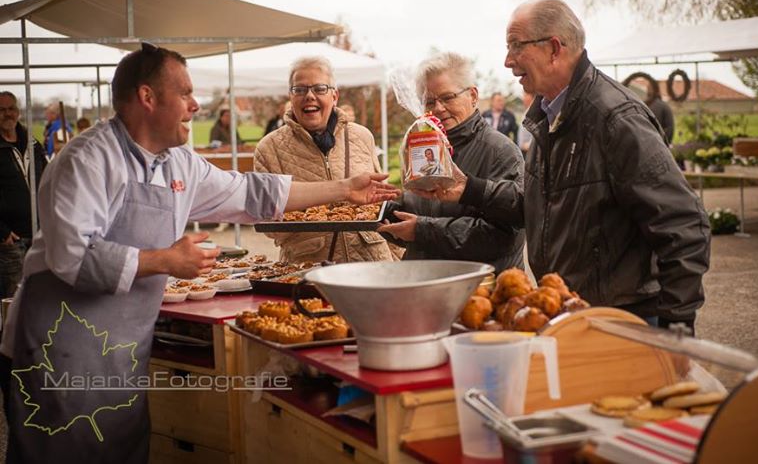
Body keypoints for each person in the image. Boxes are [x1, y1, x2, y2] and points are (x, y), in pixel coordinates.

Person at [0, 43, 397, 464]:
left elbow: (251, 192)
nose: (195, 105)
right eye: (185, 93)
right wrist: (165, 261)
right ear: (147, 97)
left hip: (121, 349)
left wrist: (344, 189)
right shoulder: (87, 159)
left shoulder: (178, 162)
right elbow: (73, 257)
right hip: (57, 351)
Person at [420, 0, 710, 331]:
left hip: (622, 321)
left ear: (554, 49)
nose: (507, 60)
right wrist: (469, 189)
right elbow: (537, 205)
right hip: (570, 313)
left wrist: (675, 327)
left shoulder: (614, 117)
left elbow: (683, 224)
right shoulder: (548, 117)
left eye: (516, 46)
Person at [378, 52, 525, 273]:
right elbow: (418, 218)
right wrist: (384, 210)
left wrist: (421, 230)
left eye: (448, 98)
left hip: (478, 287)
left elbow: (502, 236)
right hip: (424, 282)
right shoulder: (420, 147)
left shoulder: (500, 152)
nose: (438, 108)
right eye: (429, 101)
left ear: (473, 96)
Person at [254, 56, 398, 263]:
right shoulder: (269, 148)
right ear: (291, 97)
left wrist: (397, 259)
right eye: (300, 90)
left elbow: (381, 204)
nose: (309, 96)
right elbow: (268, 222)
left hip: (372, 262)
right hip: (308, 266)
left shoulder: (361, 136)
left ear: (334, 96)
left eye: (320, 89)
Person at [0, 91, 47, 299]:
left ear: (18, 112)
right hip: (10, 240)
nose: (7, 114)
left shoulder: (32, 144)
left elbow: (47, 178)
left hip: (38, 234)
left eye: (11, 109)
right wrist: (2, 232)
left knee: (40, 294)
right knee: (14, 298)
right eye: (1, 110)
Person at [517, 91, 534, 156]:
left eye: (525, 96)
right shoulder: (526, 112)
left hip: (529, 152)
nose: (523, 98)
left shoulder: (533, 113)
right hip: (524, 152)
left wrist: (529, 146)